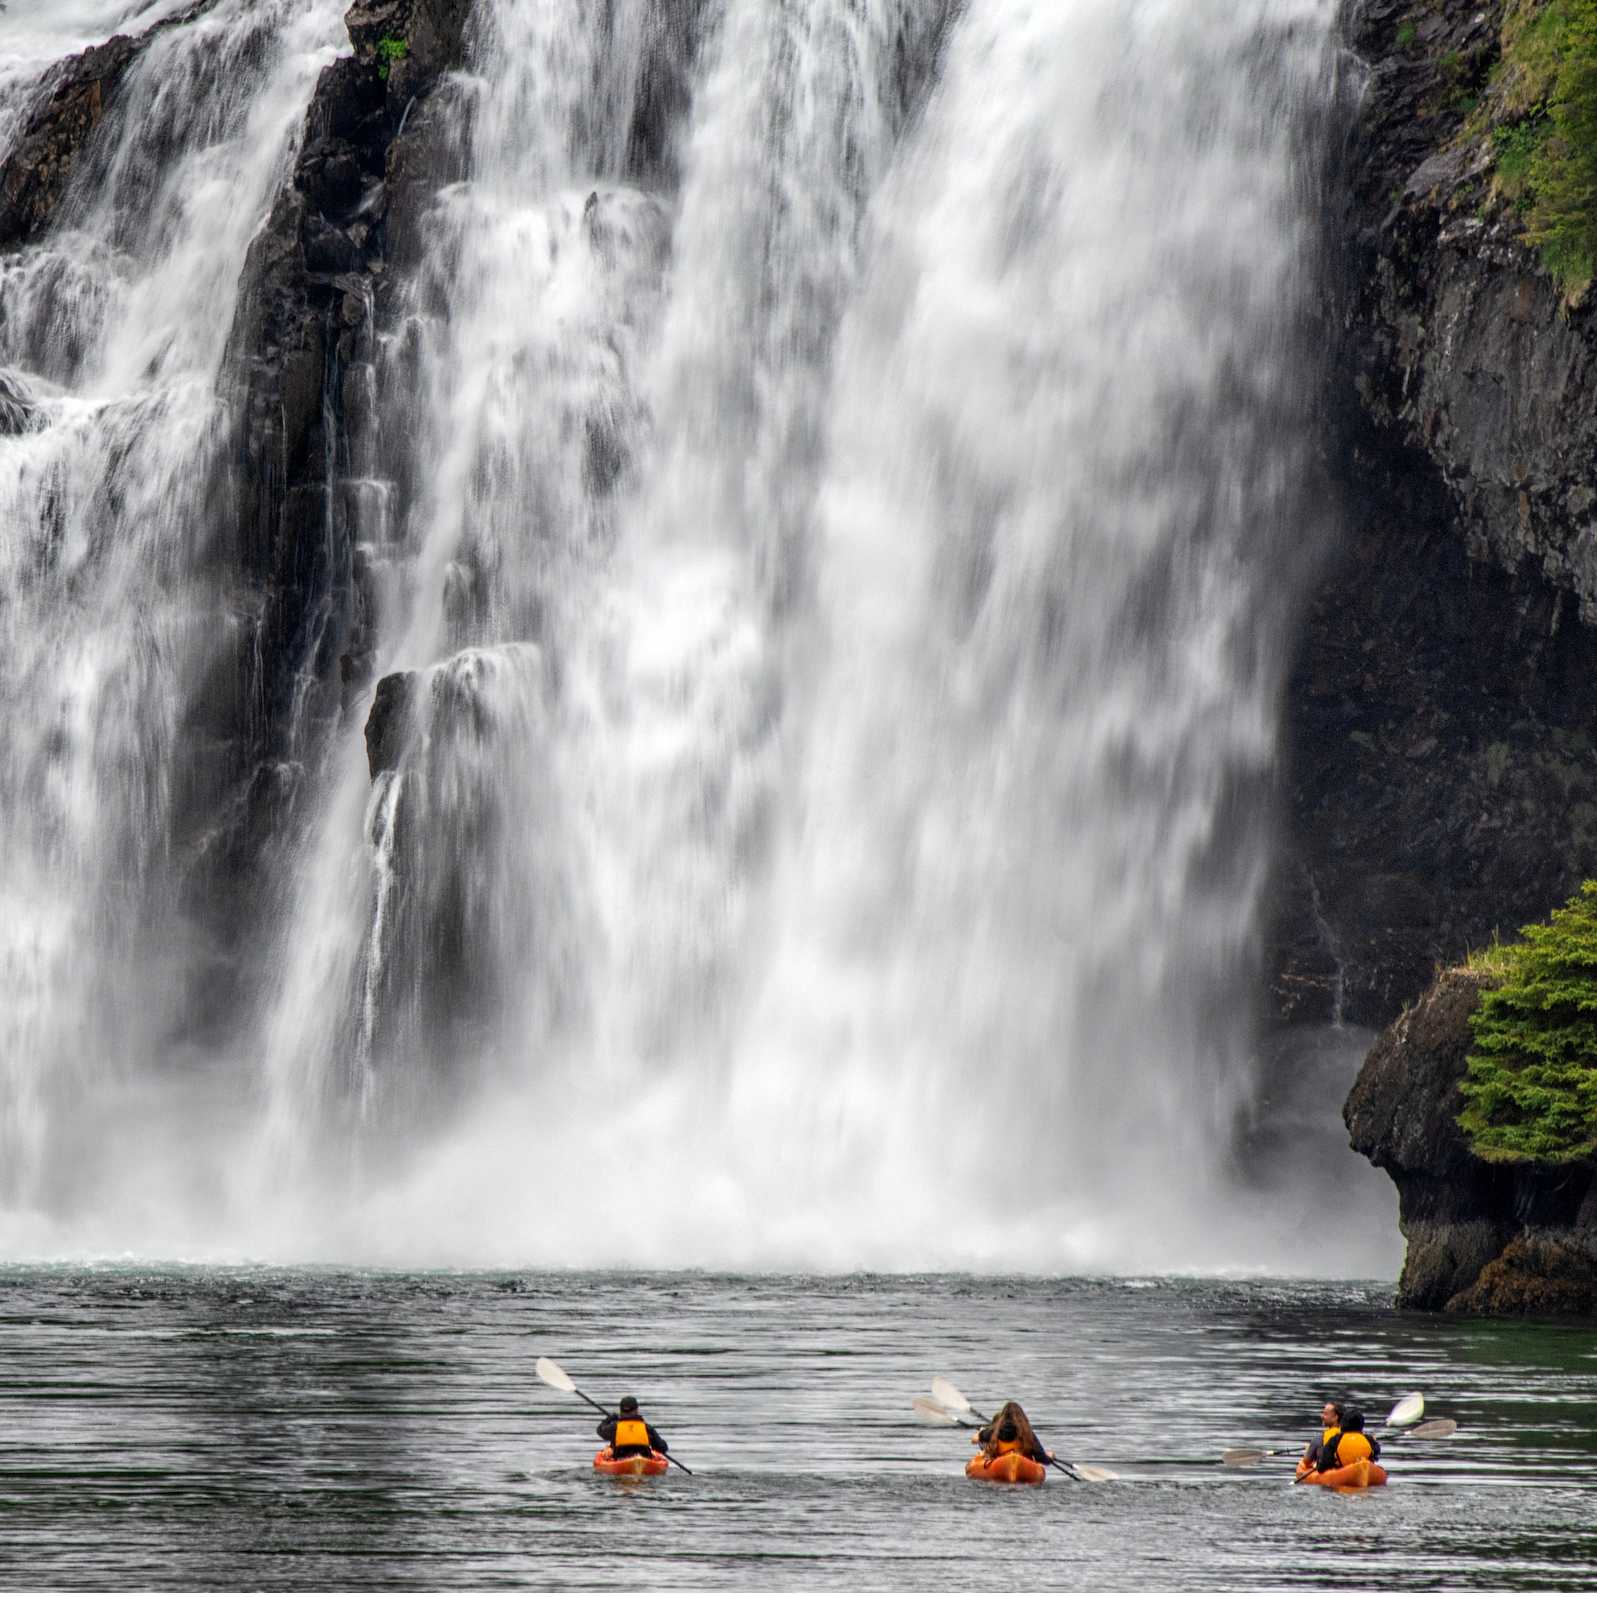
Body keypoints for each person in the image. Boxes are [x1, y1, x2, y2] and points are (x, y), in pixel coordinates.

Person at [1302, 1399, 1380, 1473]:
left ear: (1338, 1418)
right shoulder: (1368, 1439)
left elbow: (1318, 1465)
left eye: (1325, 1413)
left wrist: (1310, 1453)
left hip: (1337, 1472)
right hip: (1362, 1471)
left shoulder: (1332, 1439)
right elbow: (1376, 1456)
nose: (1321, 1416)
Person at [973, 1400, 1055, 1467]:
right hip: (1022, 1467)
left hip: (1000, 1465)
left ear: (1003, 1417)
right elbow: (1041, 1458)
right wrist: (1050, 1456)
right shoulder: (1028, 1433)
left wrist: (981, 1432)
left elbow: (974, 1440)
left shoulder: (993, 1431)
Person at [597, 1395, 668, 1460]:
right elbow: (662, 1448)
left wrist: (609, 1419)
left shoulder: (614, 1427)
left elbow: (600, 1430)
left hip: (620, 1459)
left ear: (621, 1410)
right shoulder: (647, 1428)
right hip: (643, 1459)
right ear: (636, 1410)